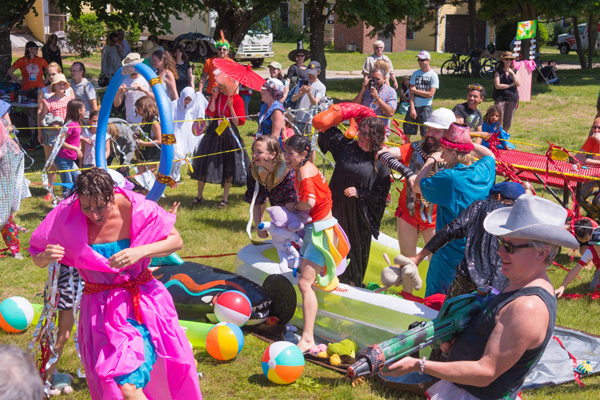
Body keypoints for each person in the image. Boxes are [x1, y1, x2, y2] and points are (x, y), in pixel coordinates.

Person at [29, 168, 203, 400]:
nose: (94, 214)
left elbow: (176, 240)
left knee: (128, 386)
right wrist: (46, 256)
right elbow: (37, 258)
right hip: (99, 311)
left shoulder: (136, 207)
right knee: (112, 381)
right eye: (86, 207)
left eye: (100, 206)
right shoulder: (66, 215)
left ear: (113, 194)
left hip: (141, 305)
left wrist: (140, 252)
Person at [382, 195, 579, 400]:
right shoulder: (520, 284)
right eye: (501, 242)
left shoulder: (527, 307)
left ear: (541, 253)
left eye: (510, 247)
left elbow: (486, 372)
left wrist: (418, 365)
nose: (500, 251)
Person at [283, 135, 349, 352]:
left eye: (290, 153)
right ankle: (308, 331)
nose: (286, 157)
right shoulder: (307, 165)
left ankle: (308, 338)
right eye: (285, 152)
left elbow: (309, 201)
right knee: (306, 281)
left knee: (304, 283)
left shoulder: (303, 172)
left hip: (322, 234)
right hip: (319, 228)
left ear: (302, 154)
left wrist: (294, 206)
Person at [414, 123, 496, 296]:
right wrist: (467, 142)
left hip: (448, 254)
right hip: (476, 255)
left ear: (453, 153)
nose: (442, 154)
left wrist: (431, 160)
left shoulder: (449, 178)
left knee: (435, 303)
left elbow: (417, 186)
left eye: (444, 150)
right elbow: (490, 155)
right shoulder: (482, 172)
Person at [410, 182, 526, 298]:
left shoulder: (480, 206)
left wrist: (419, 257)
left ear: (498, 197)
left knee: (452, 313)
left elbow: (449, 231)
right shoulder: (523, 220)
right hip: (503, 285)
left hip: (468, 279)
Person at [318, 117, 391, 286]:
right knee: (329, 244)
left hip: (358, 216)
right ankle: (327, 277)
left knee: (354, 250)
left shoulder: (380, 160)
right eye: (361, 132)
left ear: (377, 137)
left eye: (368, 134)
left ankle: (352, 282)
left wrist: (361, 193)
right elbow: (325, 128)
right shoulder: (348, 147)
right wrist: (338, 114)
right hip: (336, 208)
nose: (362, 137)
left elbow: (382, 194)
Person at [382, 108, 456, 257]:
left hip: (437, 220)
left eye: (436, 131)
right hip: (408, 216)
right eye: (429, 129)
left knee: (437, 267)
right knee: (407, 265)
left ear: (447, 133)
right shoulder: (414, 148)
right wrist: (408, 172)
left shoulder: (454, 158)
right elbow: (383, 154)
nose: (429, 134)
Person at [189, 72, 249, 208]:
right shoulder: (218, 96)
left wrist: (231, 107)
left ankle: (225, 198)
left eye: (221, 85)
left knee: (228, 165)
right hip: (214, 132)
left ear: (228, 85)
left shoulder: (237, 99)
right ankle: (199, 196)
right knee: (204, 162)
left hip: (229, 134)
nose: (218, 87)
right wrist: (215, 98)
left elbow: (238, 122)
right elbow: (210, 112)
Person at [245, 135, 296, 237]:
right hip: (278, 213)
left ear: (272, 154)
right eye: (254, 151)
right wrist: (259, 227)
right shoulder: (254, 169)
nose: (254, 155)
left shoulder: (289, 172)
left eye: (259, 152)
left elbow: (292, 206)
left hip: (296, 216)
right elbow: (255, 201)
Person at [170, 87, 208, 182]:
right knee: (174, 155)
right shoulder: (174, 105)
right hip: (174, 134)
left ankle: (175, 176)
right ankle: (169, 176)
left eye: (189, 100)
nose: (187, 101)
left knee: (181, 156)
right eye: (186, 99)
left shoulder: (189, 109)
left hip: (184, 136)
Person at [556, 218, 600, 297]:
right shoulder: (590, 252)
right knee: (593, 288)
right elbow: (575, 270)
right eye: (596, 244)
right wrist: (563, 286)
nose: (598, 247)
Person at [404, 51, 439, 140]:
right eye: (419, 60)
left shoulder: (433, 75)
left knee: (425, 133)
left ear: (428, 60)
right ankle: (406, 152)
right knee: (407, 132)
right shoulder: (415, 74)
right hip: (414, 106)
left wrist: (416, 91)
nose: (420, 62)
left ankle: (423, 153)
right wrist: (412, 108)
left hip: (426, 108)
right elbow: (411, 92)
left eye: (422, 60)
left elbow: (430, 94)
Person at [55, 99, 85, 197]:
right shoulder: (70, 125)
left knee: (80, 180)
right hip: (63, 159)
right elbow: (60, 142)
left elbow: (72, 137)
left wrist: (82, 138)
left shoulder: (76, 124)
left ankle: (75, 201)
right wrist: (76, 149)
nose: (85, 110)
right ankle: (65, 207)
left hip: (70, 160)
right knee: (67, 186)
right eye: (84, 108)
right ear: (79, 111)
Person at [114, 54, 155, 125]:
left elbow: (158, 98)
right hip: (131, 121)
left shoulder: (147, 78)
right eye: (129, 67)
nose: (132, 70)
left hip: (147, 120)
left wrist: (144, 90)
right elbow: (116, 104)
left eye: (133, 67)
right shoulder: (124, 80)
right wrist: (118, 92)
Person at [353, 67, 397, 133]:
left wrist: (378, 98)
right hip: (363, 130)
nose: (375, 81)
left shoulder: (390, 91)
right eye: (372, 79)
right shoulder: (366, 89)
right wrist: (362, 90)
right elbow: (354, 106)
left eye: (378, 79)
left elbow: (390, 112)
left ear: (384, 79)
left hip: (379, 132)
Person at [290, 61, 326, 134]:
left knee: (308, 144)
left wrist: (309, 93)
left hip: (310, 122)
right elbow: (293, 99)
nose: (310, 75)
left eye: (313, 73)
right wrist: (300, 94)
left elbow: (315, 103)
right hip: (297, 119)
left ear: (319, 72)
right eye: (309, 72)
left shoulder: (321, 87)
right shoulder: (301, 82)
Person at [492, 51, 520, 133]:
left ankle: (504, 137)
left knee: (508, 121)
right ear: (503, 60)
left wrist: (512, 73)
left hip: (512, 98)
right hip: (500, 98)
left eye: (510, 59)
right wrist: (511, 85)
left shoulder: (515, 71)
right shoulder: (498, 72)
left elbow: (518, 83)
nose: (508, 61)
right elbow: (498, 85)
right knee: (498, 119)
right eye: (506, 59)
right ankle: (497, 136)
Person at [134, 96, 162, 174]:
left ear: (145, 107)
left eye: (138, 108)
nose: (137, 110)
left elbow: (159, 141)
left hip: (152, 154)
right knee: (140, 175)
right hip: (143, 152)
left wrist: (143, 143)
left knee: (150, 177)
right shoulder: (143, 120)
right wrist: (137, 135)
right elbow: (145, 135)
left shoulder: (154, 123)